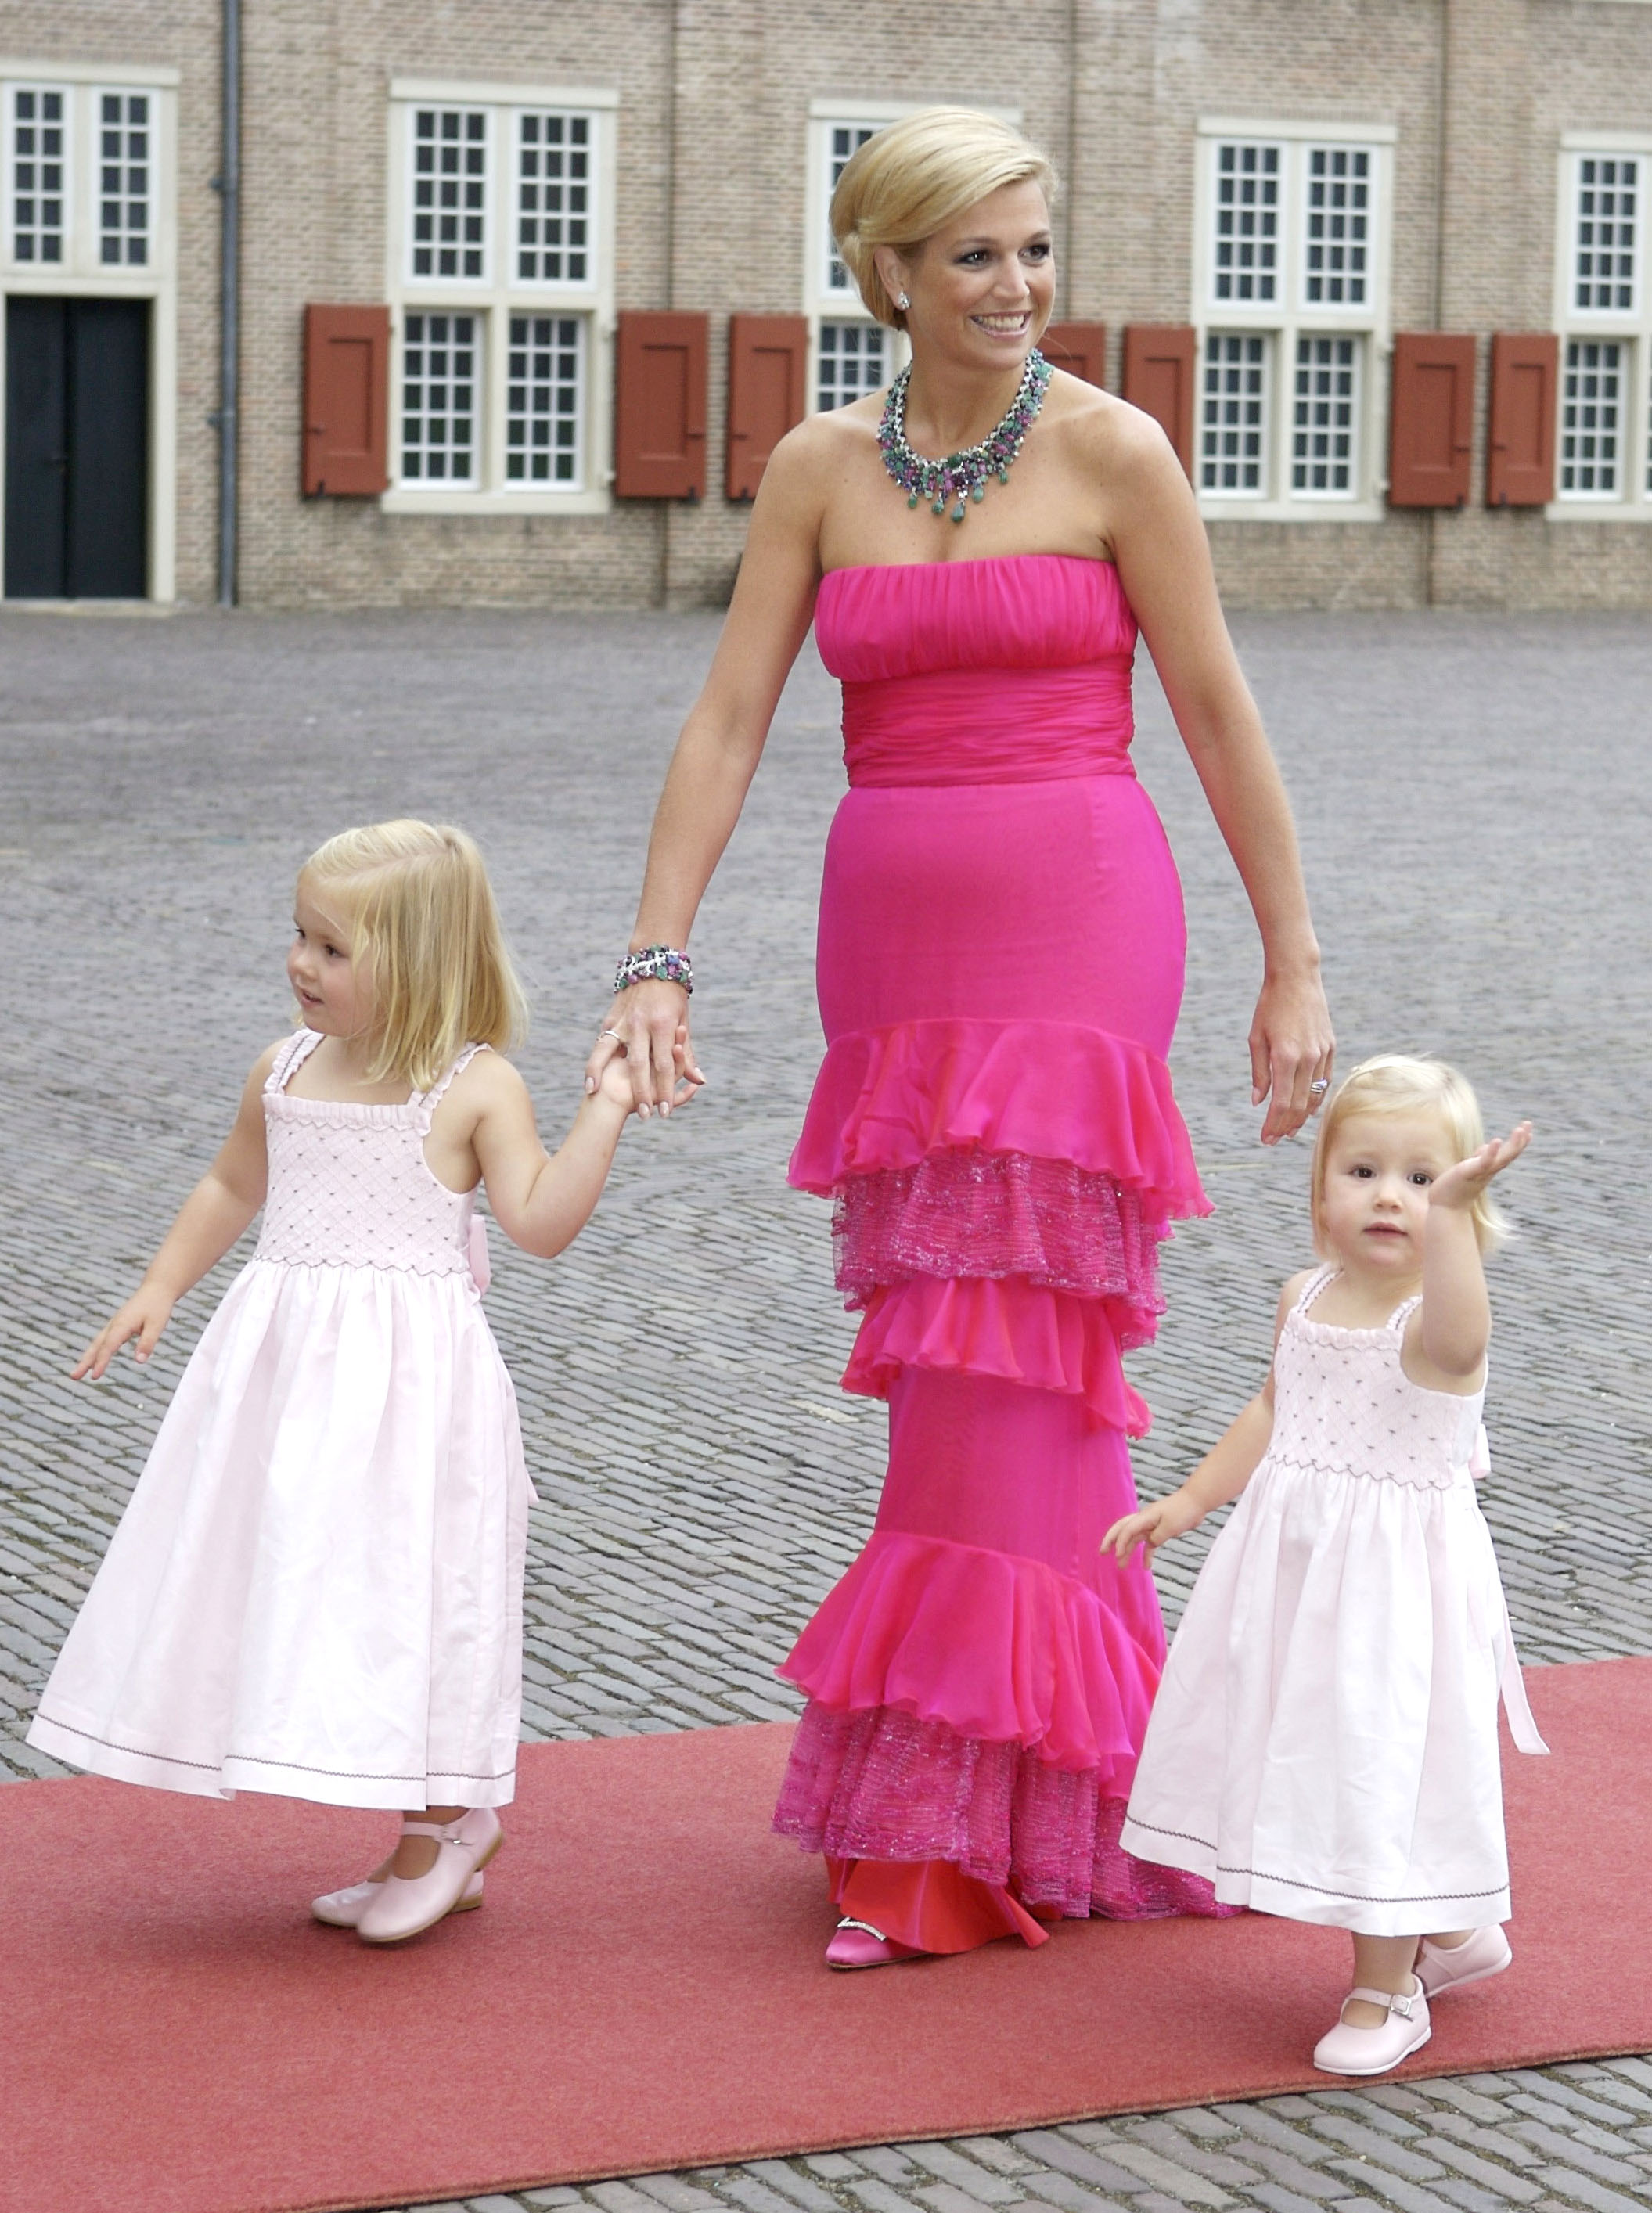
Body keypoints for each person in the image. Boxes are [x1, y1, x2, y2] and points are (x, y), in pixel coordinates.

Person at [588, 106, 1335, 1967]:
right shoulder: (819, 467)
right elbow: (731, 714)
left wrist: (1290, 957)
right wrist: (657, 954)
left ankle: (947, 1826)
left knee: (1023, 1339)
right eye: (978, 255)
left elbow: (1222, 716)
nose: (1017, 287)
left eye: (1034, 250)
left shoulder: (1118, 452)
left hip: (1083, 913)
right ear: (893, 272)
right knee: (953, 1356)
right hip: (895, 939)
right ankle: (1064, 1775)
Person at [30, 818, 693, 1945]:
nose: (301, 963)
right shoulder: (283, 1068)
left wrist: (610, 1109)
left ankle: (444, 1828)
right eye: (301, 936)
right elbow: (233, 1182)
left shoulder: (475, 1090)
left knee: (419, 1591)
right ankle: (428, 1832)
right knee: (322, 1588)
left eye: (333, 949)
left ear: (421, 960)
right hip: (284, 1378)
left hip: (414, 1397)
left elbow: (537, 1223)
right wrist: (161, 1286)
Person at [1106, 1056, 1545, 2075]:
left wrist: (1455, 1230)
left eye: (1424, 1179)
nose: (1391, 1195)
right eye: (1363, 1171)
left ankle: (1386, 1988)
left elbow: (1461, 1331)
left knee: (1374, 1767)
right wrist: (1190, 1500)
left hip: (1395, 1595)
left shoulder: (1435, 1327)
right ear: (1321, 1189)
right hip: (1295, 1576)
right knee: (1310, 1750)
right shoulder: (1305, 1296)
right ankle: (1452, 1935)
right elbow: (1274, 1406)